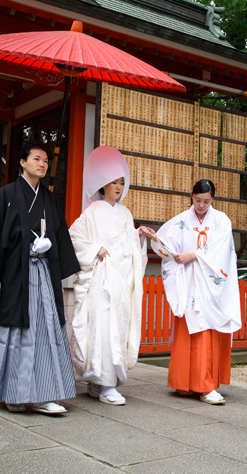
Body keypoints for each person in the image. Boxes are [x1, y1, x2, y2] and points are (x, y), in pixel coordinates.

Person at [0, 139, 79, 415]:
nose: (42, 164)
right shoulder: (6, 195)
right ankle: (13, 392)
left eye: (45, 160)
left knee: (45, 331)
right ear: (22, 162)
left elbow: (59, 236)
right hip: (13, 274)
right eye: (36, 159)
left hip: (43, 274)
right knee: (16, 333)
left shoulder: (49, 199)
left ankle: (44, 394)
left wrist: (49, 247)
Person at [142, 179, 241, 405]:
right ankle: (184, 383)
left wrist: (193, 255)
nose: (202, 205)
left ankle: (206, 386)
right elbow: (167, 245)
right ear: (191, 196)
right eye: (198, 200)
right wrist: (156, 238)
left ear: (213, 199)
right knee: (189, 329)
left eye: (207, 201)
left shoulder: (221, 221)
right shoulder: (181, 221)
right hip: (189, 282)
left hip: (210, 286)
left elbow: (222, 250)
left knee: (206, 330)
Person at [68, 146, 154, 405]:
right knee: (102, 328)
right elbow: (74, 237)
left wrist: (138, 236)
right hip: (101, 280)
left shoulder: (126, 213)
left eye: (121, 182)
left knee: (117, 328)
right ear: (102, 185)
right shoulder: (92, 211)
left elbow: (126, 242)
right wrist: (95, 249)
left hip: (121, 280)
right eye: (113, 182)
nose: (117, 187)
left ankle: (100, 381)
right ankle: (104, 384)